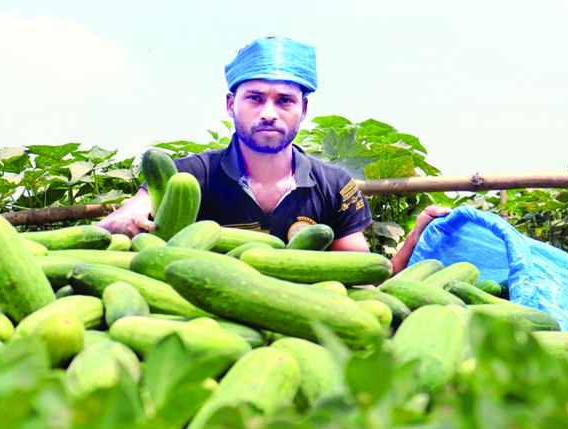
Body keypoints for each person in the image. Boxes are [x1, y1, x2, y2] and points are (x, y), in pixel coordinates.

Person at [98, 37, 448, 275]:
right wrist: (123, 223)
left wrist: (415, 237)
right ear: (231, 104)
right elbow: (129, 215)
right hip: (202, 314)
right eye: (254, 98)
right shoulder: (189, 175)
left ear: (303, 109)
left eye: (284, 100)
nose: (269, 112)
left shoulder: (334, 185)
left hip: (301, 322)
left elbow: (366, 276)